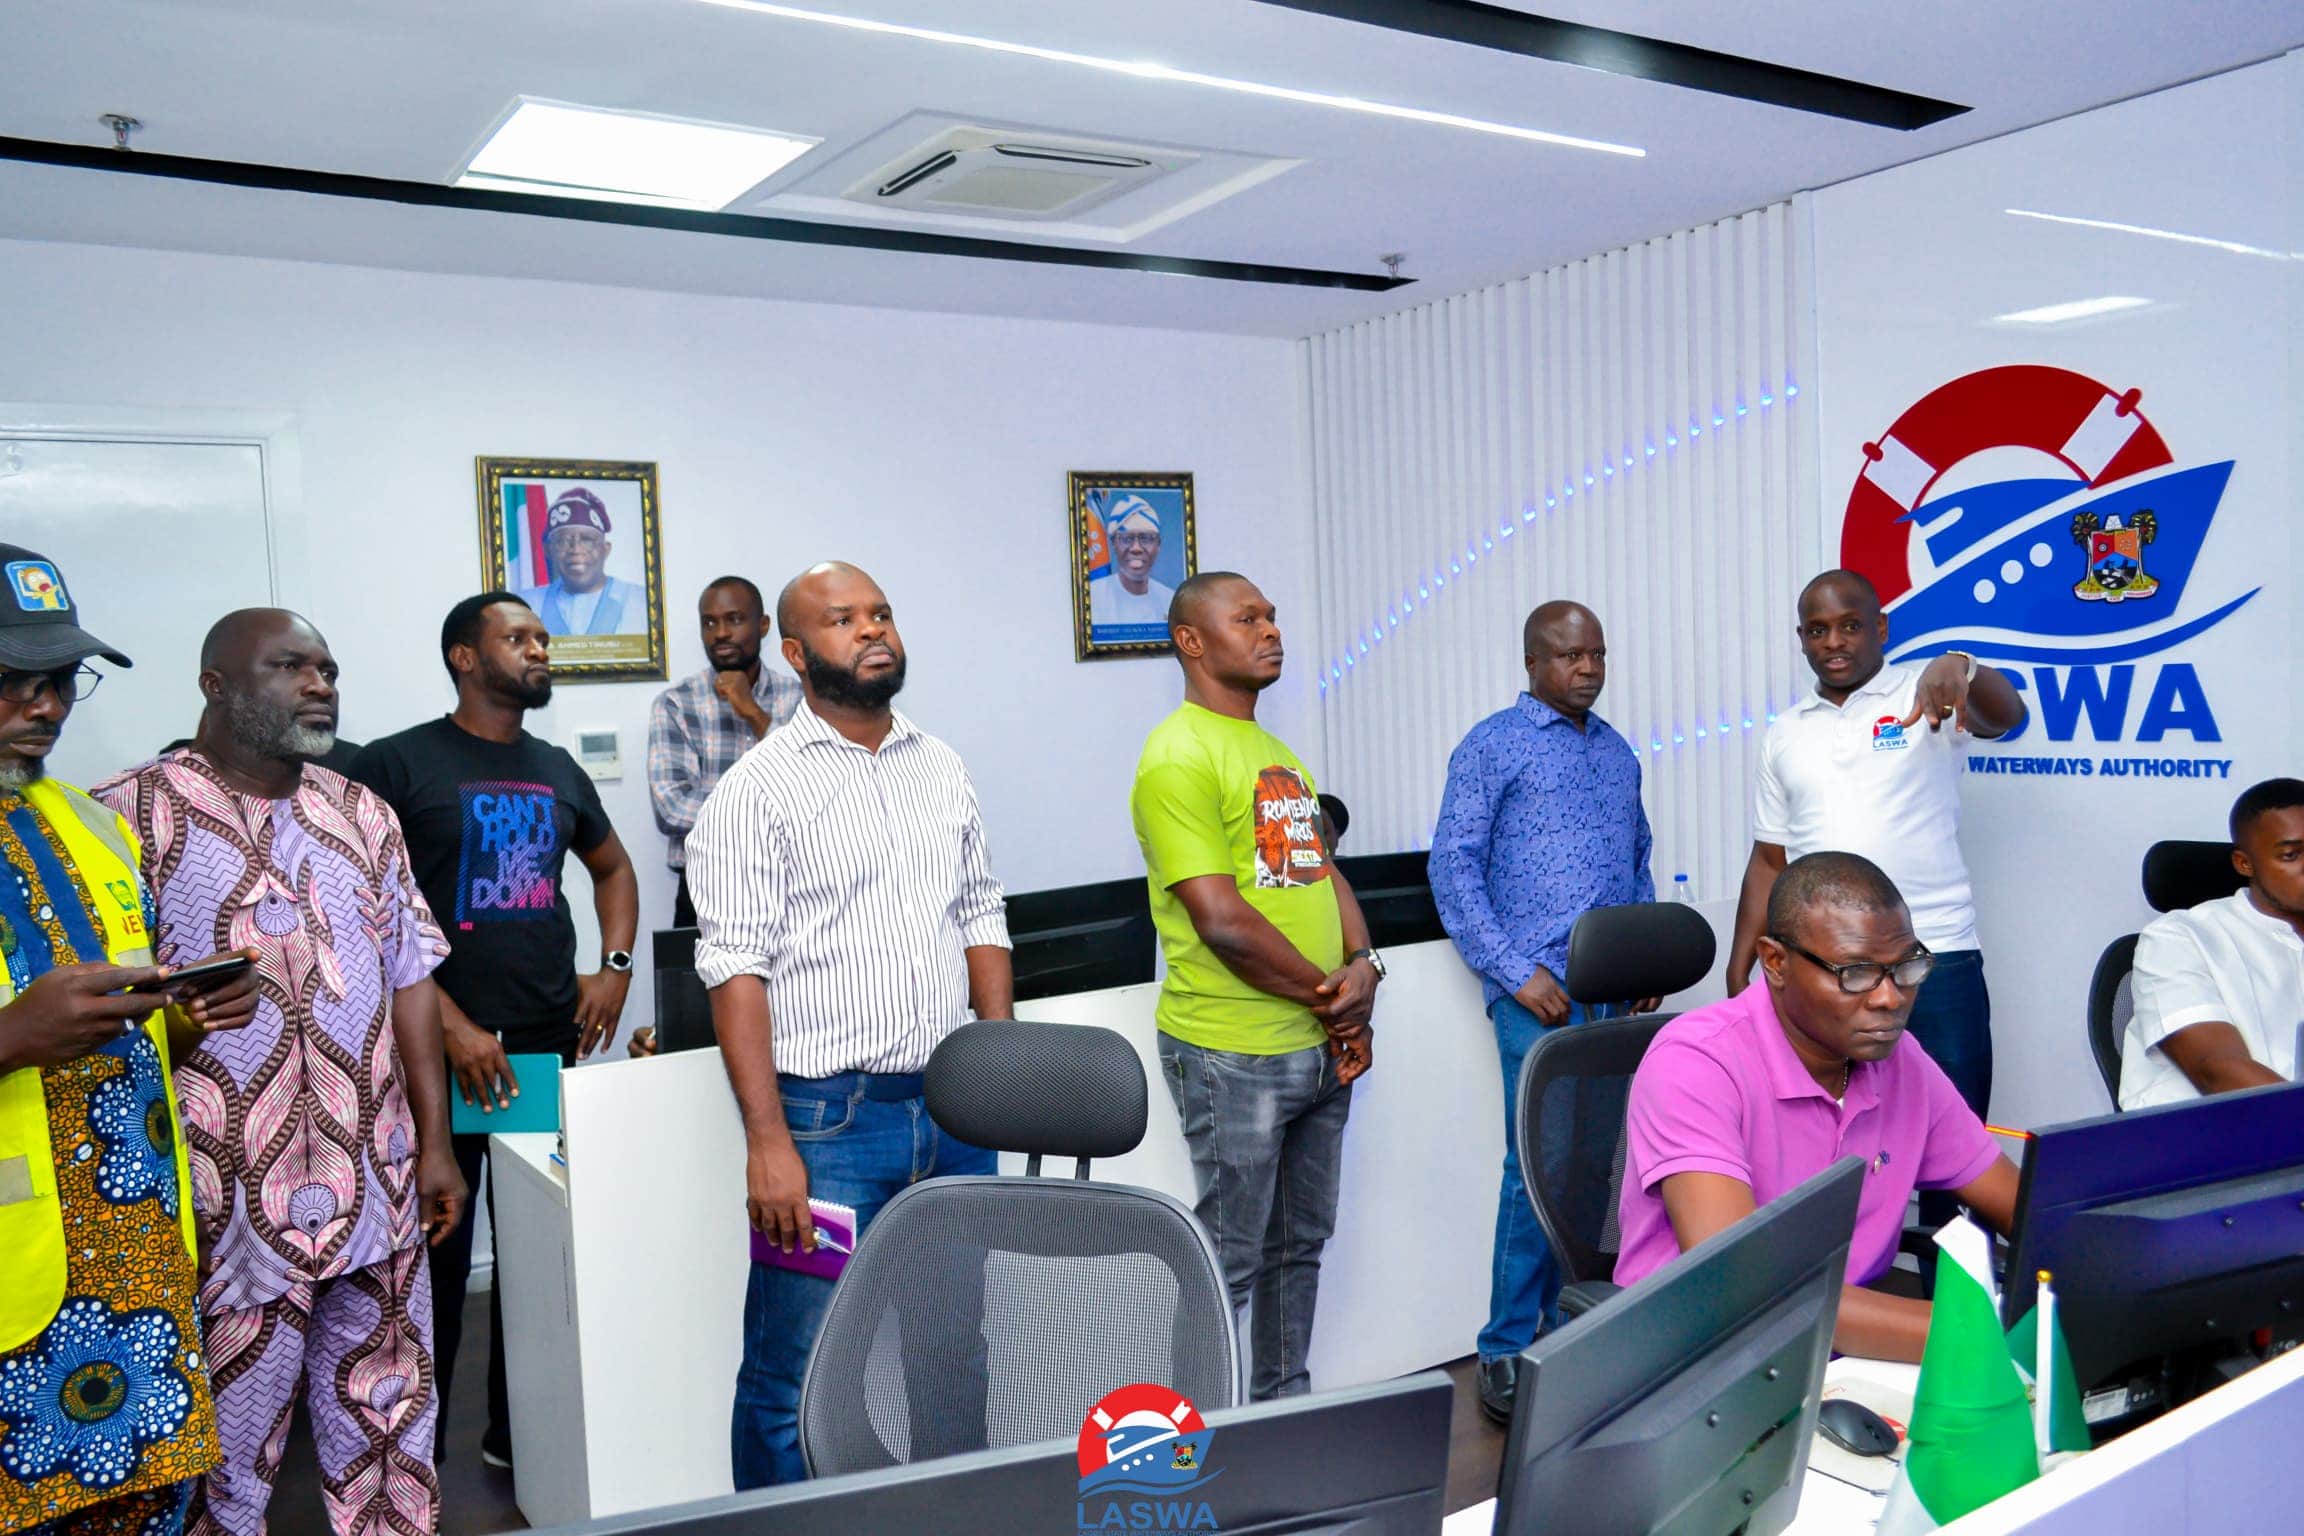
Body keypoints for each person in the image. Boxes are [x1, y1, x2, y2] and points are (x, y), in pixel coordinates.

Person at [95, 610, 465, 1536]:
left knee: (390, 1431)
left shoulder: (363, 810)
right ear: (215, 684)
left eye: (328, 669)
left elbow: (412, 980)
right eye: (291, 666)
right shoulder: (126, 815)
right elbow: (97, 1011)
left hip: (377, 1182)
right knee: (223, 1456)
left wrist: (436, 1144)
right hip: (224, 1205)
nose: (319, 684)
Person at [685, 561, 1010, 1489]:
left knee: (955, 1353)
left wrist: (997, 1063)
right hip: (828, 1129)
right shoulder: (756, 790)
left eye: (881, 614)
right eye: (842, 620)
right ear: (795, 653)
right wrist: (767, 1143)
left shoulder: (941, 765)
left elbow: (980, 914)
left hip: (956, 1118)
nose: (871, 630)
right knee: (793, 1375)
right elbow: (735, 969)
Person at [0, 542, 261, 1535]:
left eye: (62, 679)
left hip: (140, 1266)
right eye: (12, 679)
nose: (46, 705)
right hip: (16, 1287)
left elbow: (126, 1046)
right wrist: (10, 1035)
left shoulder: (91, 823)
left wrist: (183, 1023)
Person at [349, 592, 639, 1471]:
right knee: (433, 1254)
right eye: (518, 638)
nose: (539, 649)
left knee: (534, 1251)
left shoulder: (556, 767)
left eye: (542, 637)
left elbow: (614, 868)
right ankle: (415, 1459)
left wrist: (613, 970)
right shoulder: (396, 764)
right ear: (464, 657)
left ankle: (518, 1441)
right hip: (432, 1056)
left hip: (540, 1046)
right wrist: (454, 1025)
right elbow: (365, 911)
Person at [1130, 571, 1377, 1401]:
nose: (1271, 630)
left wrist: (1366, 967)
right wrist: (1334, 1001)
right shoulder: (1178, 755)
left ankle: (1283, 1416)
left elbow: (1323, 876)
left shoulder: (1276, 754)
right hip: (1233, 1053)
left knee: (1298, 1248)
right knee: (1227, 1264)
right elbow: (1223, 921)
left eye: (1272, 616)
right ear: (1192, 641)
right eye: (1248, 619)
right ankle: (1182, 1448)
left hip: (1317, 1047)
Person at [1618, 852, 2019, 1362]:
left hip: (1836, 1351)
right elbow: (1741, 1285)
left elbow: (2018, 1203)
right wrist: (1974, 1332)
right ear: (1775, 962)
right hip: (1697, 1359)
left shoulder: (1900, 1061)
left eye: (1906, 968)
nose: (1890, 998)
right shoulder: (1695, 1063)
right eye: (1856, 973)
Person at [1428, 600, 1653, 1423]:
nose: (1587, 668)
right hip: (1538, 999)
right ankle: (1504, 1350)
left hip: (1611, 994)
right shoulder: (1492, 745)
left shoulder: (1618, 752)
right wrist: (1513, 971)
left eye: (1597, 654)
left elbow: (1638, 859)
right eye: (1568, 655)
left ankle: (1572, 1338)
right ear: (1532, 662)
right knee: (1536, 1171)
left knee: (1597, 1171)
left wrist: (1640, 950)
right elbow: (1452, 867)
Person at [1728, 571, 2026, 1128]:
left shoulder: (1927, 694)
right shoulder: (1785, 732)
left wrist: (1963, 666)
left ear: (1881, 628)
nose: (1834, 642)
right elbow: (1770, 860)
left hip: (1933, 957)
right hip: (1826, 968)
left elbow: (2008, 716)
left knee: (1955, 1130)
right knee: (1831, 1132)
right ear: (1802, 639)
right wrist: (1739, 961)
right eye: (1818, 630)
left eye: (1850, 626)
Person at [2121, 778, 2304, 1108]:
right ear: (2244, 863)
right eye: (2291, 855)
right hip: (2211, 1135)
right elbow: (2216, 1070)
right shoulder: (2177, 939)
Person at [647, 576, 802, 929]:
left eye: (734, 619)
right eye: (709, 623)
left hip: (791, 885)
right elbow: (672, 810)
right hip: (705, 886)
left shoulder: (801, 699)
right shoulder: (676, 704)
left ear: (763, 626)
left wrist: (754, 714)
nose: (720, 633)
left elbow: (817, 791)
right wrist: (771, 814)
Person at [512, 488, 647, 637]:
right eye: (563, 541)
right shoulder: (525, 607)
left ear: (605, 549)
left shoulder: (642, 602)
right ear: (548, 550)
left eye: (587, 540)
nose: (576, 549)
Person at [1087, 496, 1177, 630]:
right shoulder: (1092, 597)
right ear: (1113, 544)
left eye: (1146, 538)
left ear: (1158, 545)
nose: (1136, 548)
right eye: (1126, 539)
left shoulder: (1171, 601)